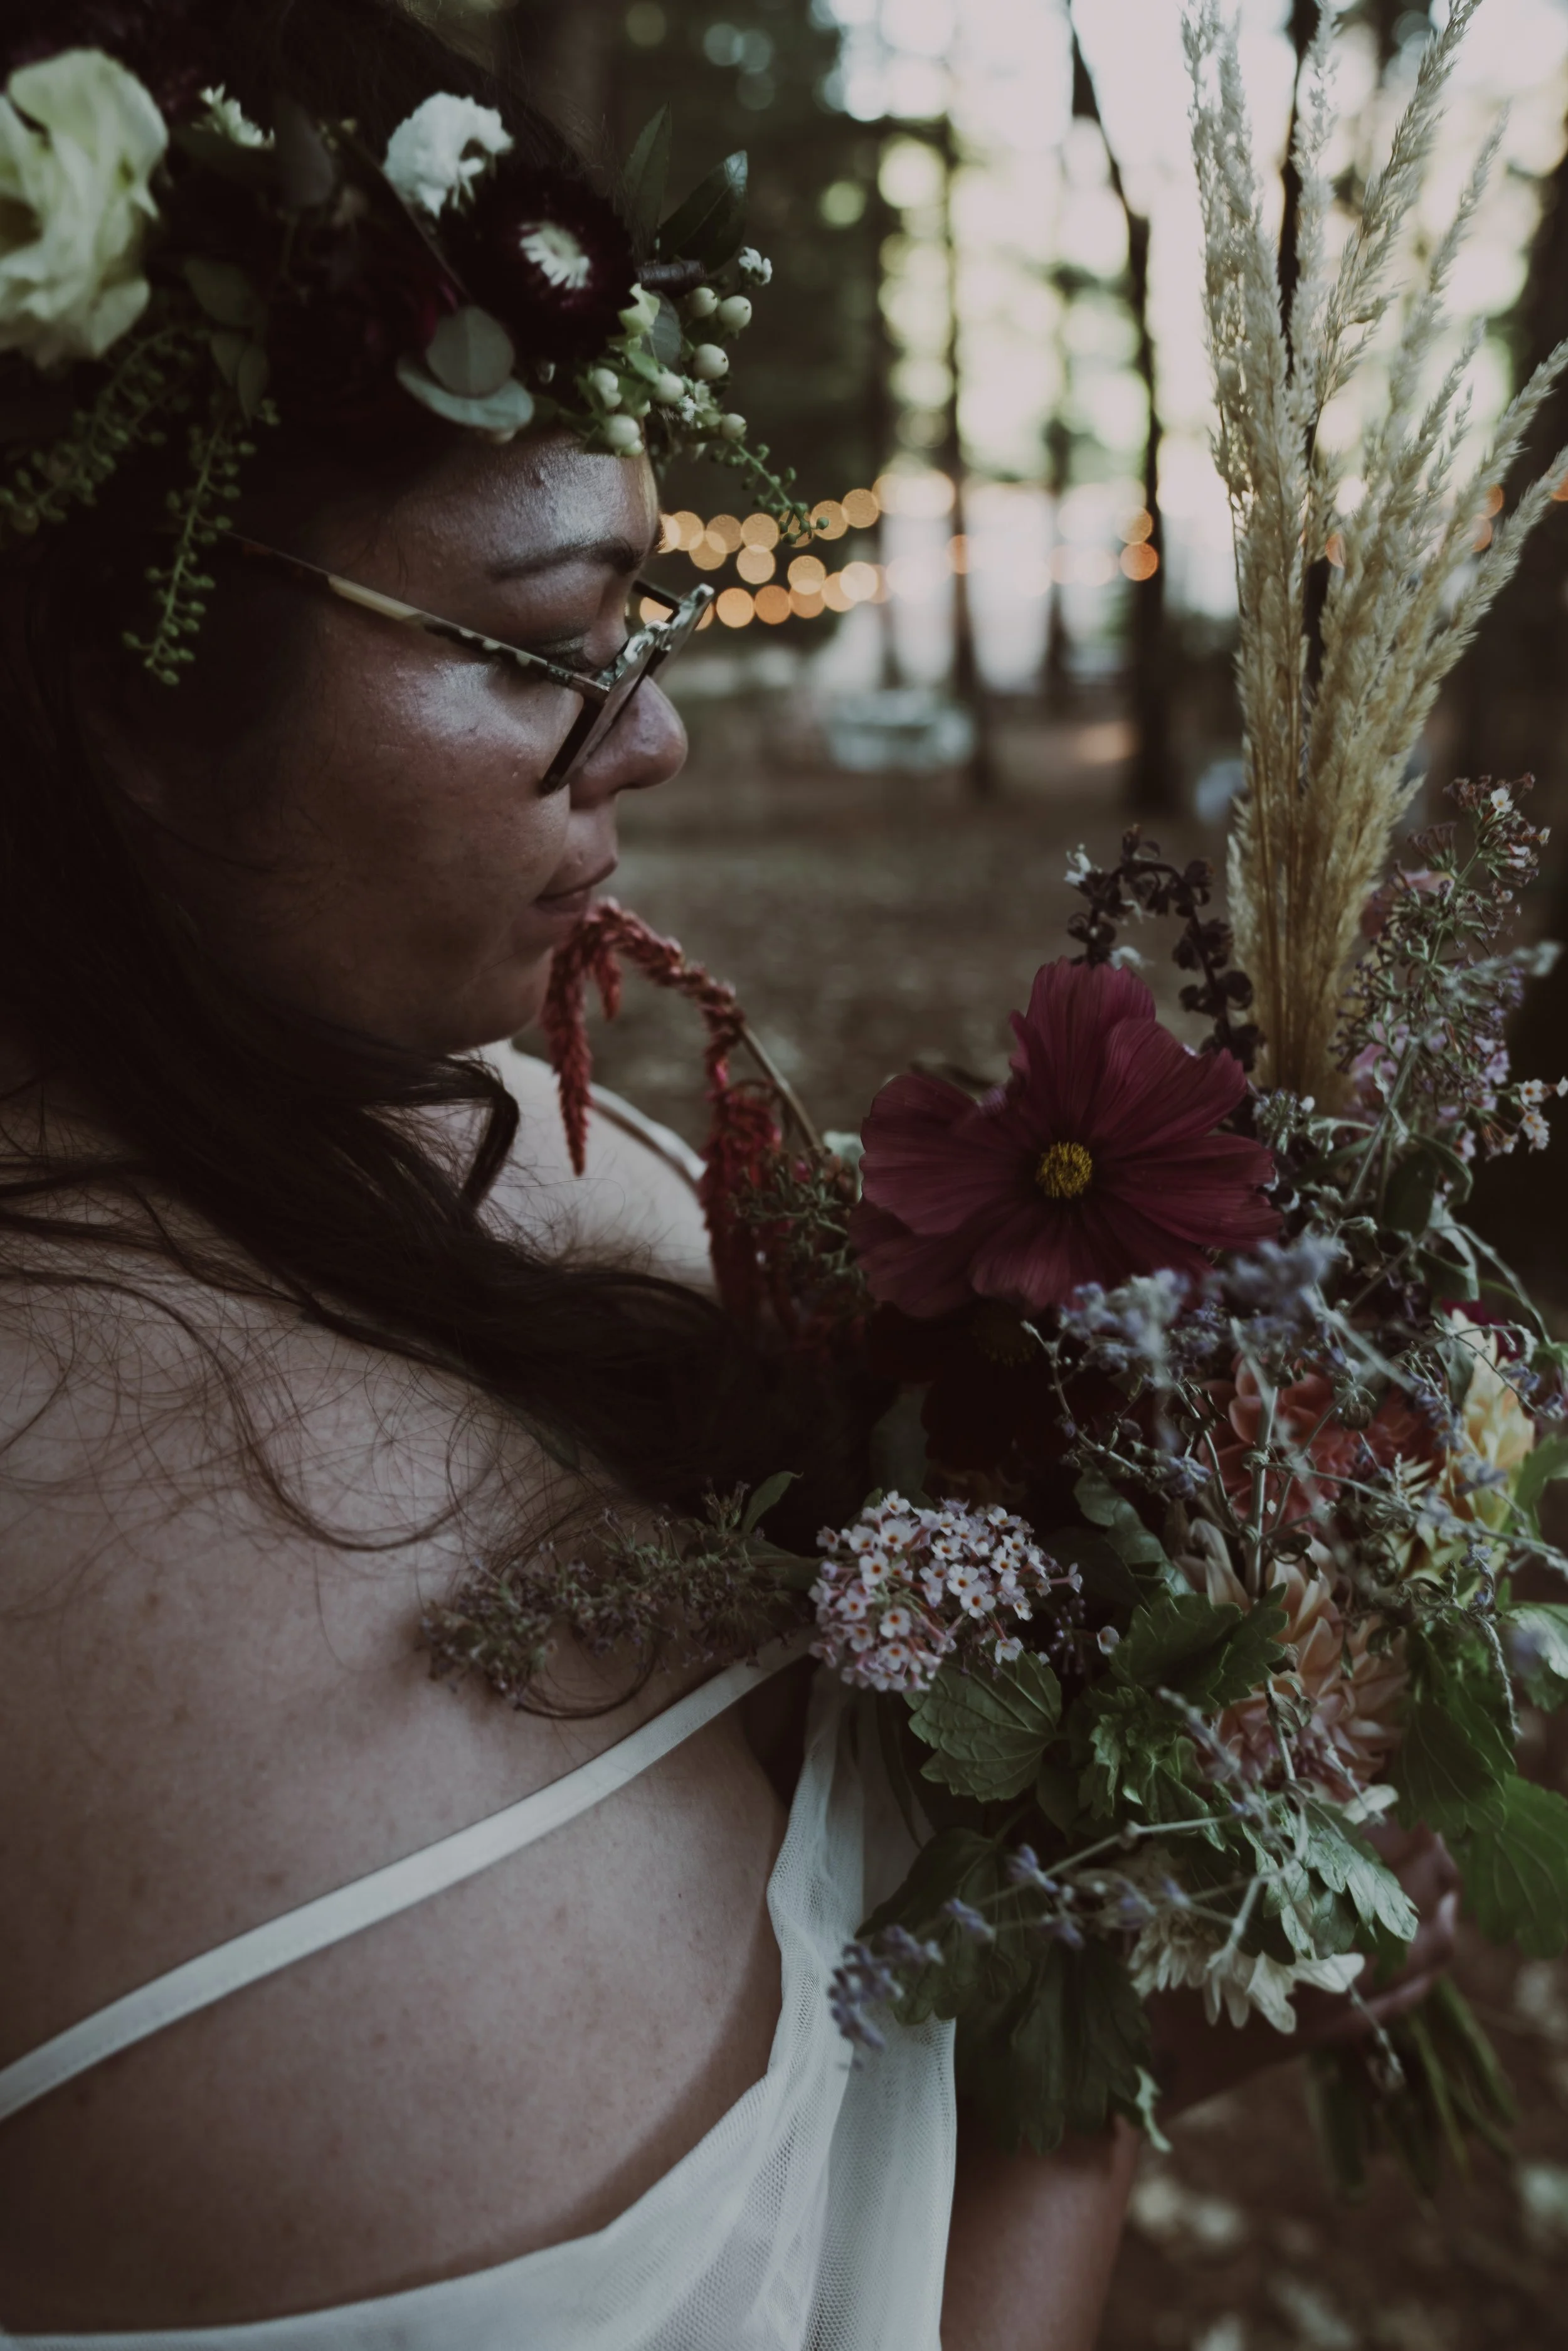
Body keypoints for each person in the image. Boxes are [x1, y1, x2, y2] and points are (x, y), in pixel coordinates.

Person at [0, 5, 1458, 2344]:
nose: (656, 732)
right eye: (562, 644)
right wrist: (1103, 2068)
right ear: (120, 685)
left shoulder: (474, 1123)